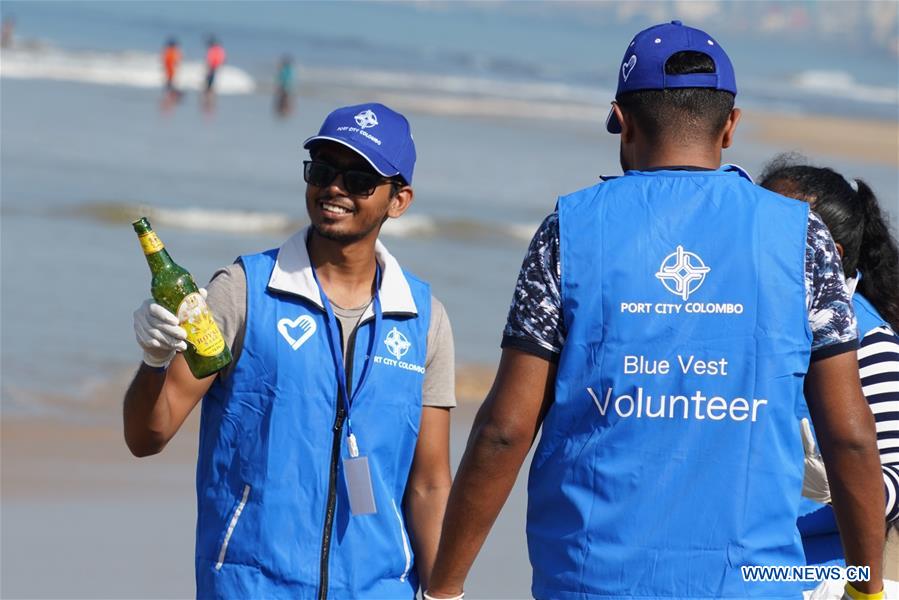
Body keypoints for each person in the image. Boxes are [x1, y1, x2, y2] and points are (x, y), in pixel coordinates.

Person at [426, 21, 885, 600]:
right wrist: (864, 588)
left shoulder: (568, 233)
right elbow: (849, 436)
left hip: (591, 581)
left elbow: (504, 430)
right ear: (731, 126)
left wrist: (444, 586)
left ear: (622, 120)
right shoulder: (802, 240)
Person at [124, 102, 455, 598]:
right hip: (250, 586)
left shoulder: (424, 320)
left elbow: (429, 484)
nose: (335, 188)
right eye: (323, 170)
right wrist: (153, 363)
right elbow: (148, 435)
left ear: (399, 199)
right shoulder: (244, 291)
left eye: (359, 179)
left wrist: (444, 592)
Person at [759, 159, 899, 590]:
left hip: (816, 576)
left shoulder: (871, 342)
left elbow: (894, 481)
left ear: (827, 253)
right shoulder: (743, 318)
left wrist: (840, 483)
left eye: (771, 231)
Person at [203, 36, 225, 107]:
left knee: (210, 77)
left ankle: (209, 89)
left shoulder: (214, 49)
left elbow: (211, 57)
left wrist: (209, 64)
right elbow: (221, 57)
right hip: (214, 65)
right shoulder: (219, 49)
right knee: (211, 77)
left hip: (213, 65)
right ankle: (209, 89)